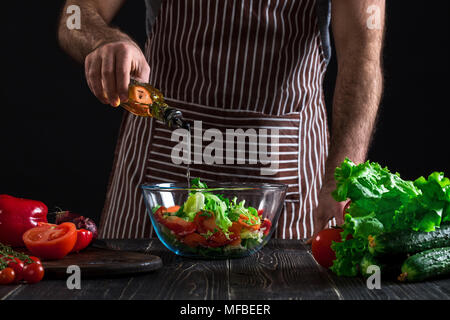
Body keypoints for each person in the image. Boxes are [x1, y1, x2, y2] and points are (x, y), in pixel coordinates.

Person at [58, 0, 385, 240]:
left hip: (286, 186)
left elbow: (362, 57)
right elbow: (76, 16)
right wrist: (104, 40)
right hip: (160, 178)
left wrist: (341, 181)